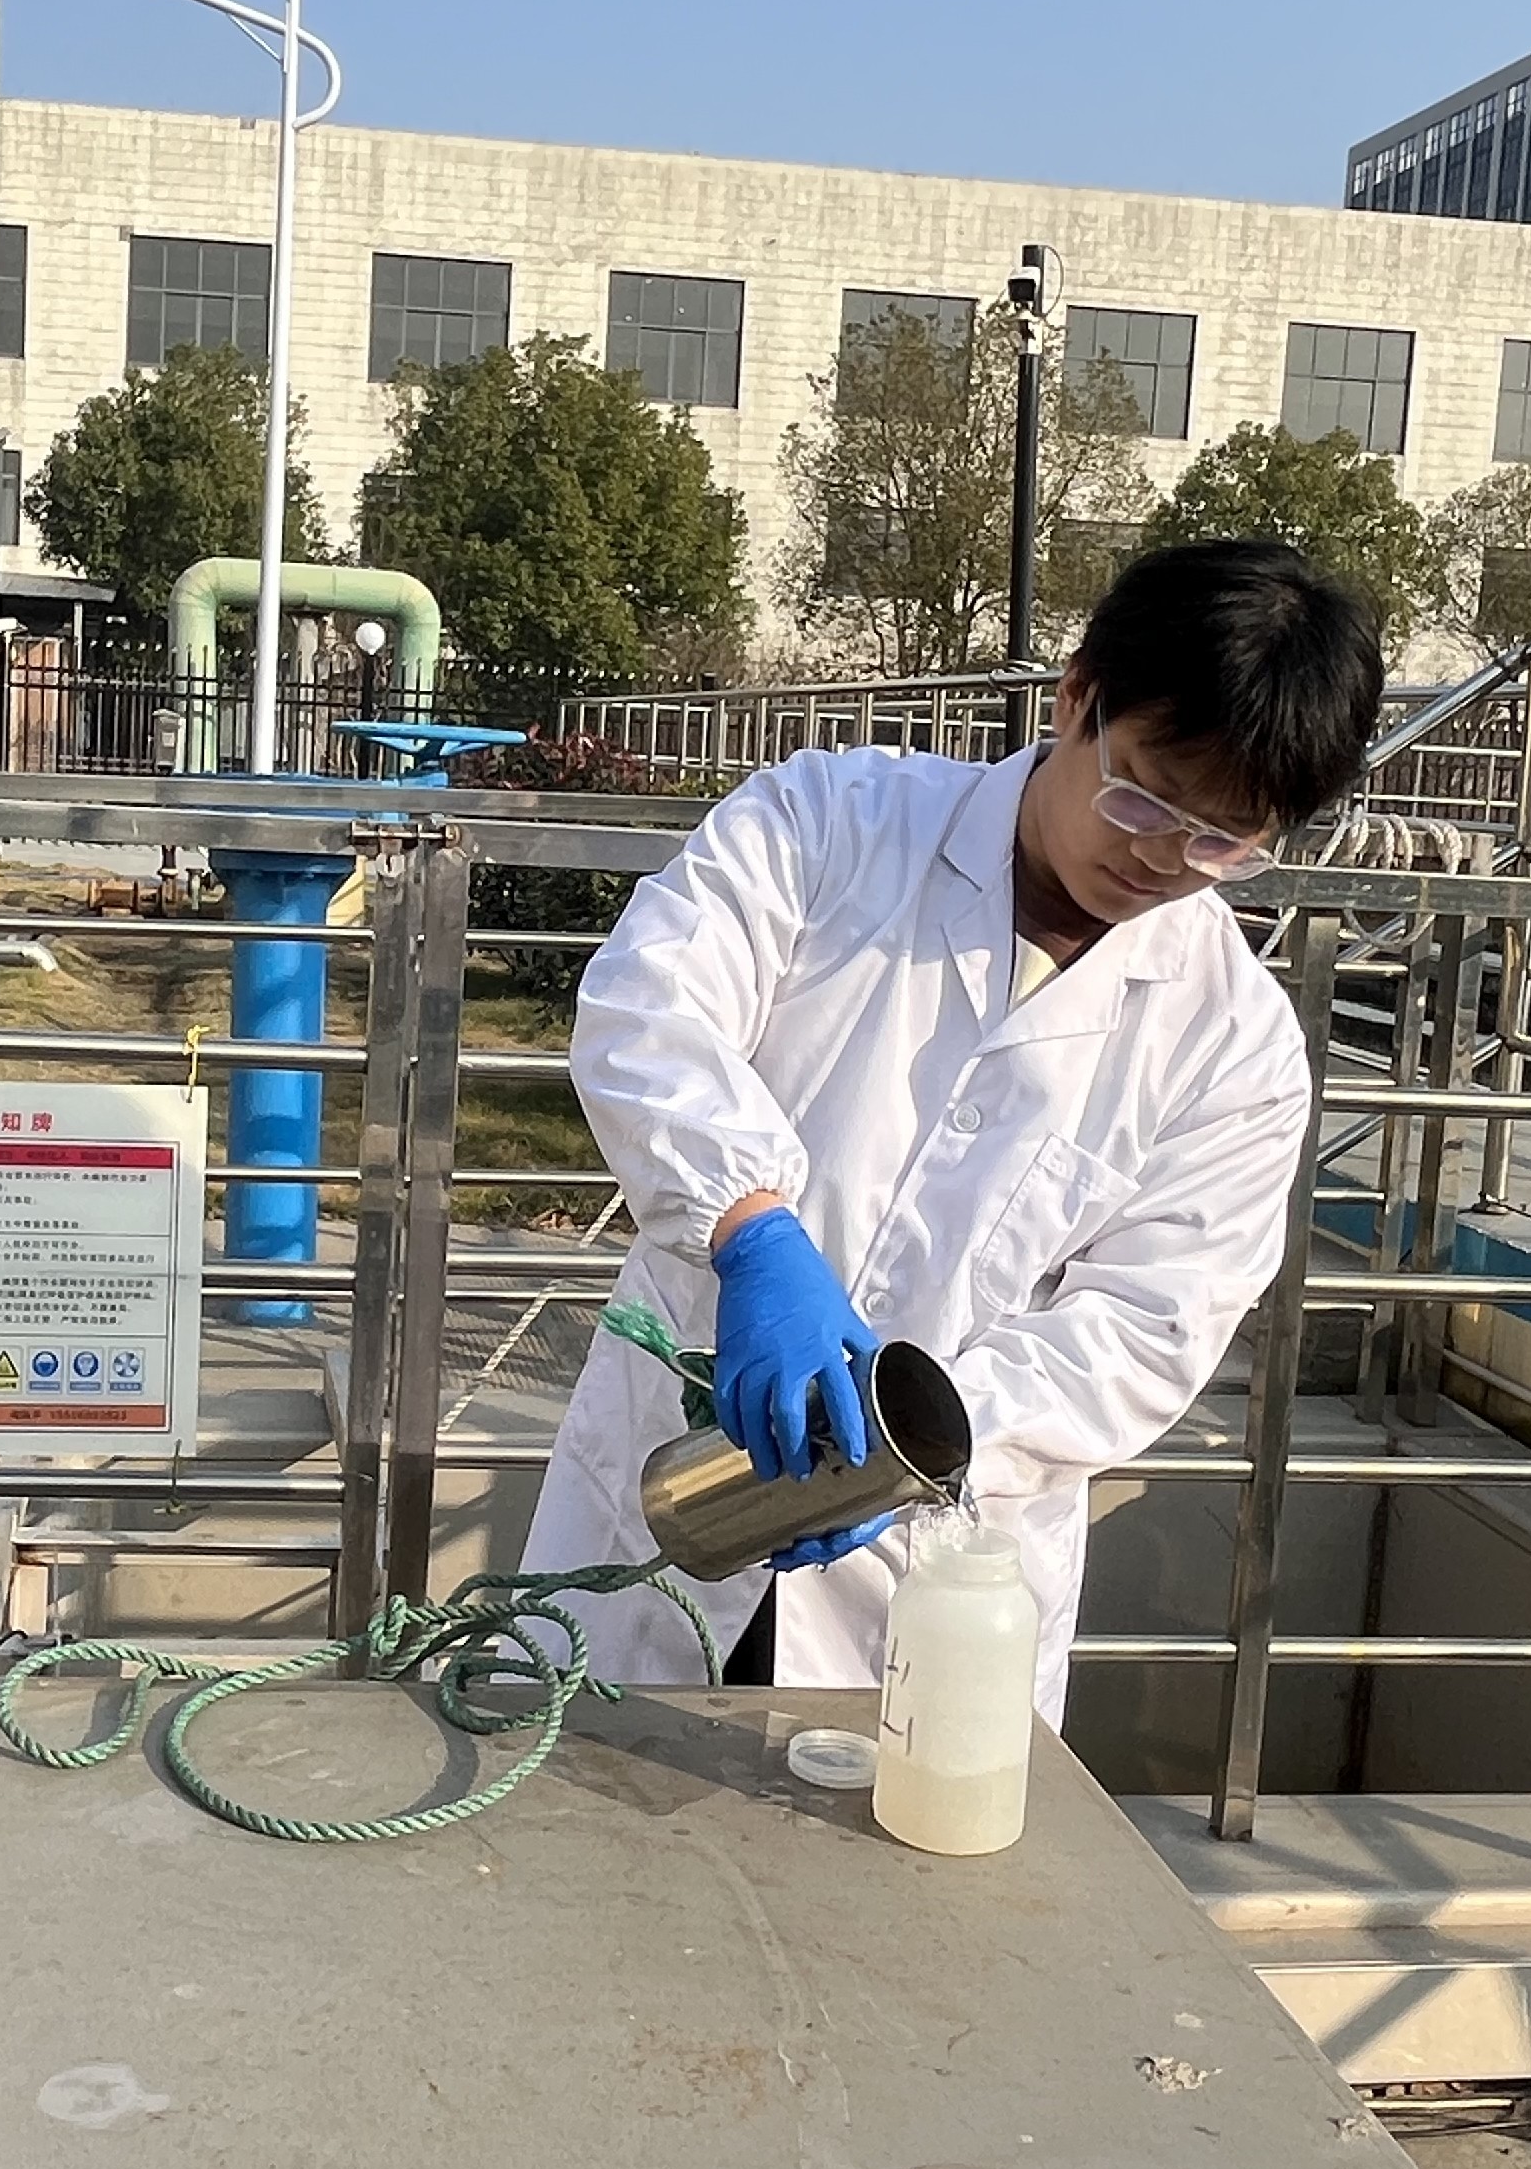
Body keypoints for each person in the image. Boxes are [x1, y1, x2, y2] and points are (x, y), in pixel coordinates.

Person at [519, 538, 1384, 1720]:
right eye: (1141, 796)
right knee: (593, 1794)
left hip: (935, 1575)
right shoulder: (830, 822)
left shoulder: (1233, 1046)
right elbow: (649, 1011)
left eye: (1220, 841)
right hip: (664, 1487)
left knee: (897, 1828)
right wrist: (753, 1232)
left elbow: (1150, 1325)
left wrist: (930, 1435)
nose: (1160, 858)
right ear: (1077, 697)